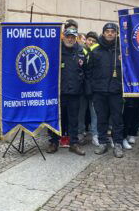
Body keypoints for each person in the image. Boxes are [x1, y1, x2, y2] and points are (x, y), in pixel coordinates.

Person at [86, 22, 125, 158]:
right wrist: (92, 90)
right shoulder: (95, 51)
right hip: (99, 92)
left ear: (116, 34)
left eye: (112, 31)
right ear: (103, 33)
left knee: (117, 119)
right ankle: (103, 142)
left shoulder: (122, 50)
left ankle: (118, 143)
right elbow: (88, 72)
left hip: (116, 91)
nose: (110, 33)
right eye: (107, 31)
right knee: (101, 119)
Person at [46, 28, 86, 156]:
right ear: (63, 37)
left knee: (74, 119)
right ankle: (54, 142)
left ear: (76, 38)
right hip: (59, 92)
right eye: (68, 36)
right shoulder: (56, 51)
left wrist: (82, 85)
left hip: (75, 92)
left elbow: (86, 70)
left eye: (73, 37)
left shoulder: (81, 51)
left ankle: (74, 143)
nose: (70, 39)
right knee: (57, 118)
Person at [78, 31, 99, 146]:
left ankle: (95, 134)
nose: (91, 42)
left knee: (94, 112)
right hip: (82, 87)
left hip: (94, 87)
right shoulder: (80, 52)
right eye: (89, 40)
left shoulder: (98, 53)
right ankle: (80, 132)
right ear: (86, 40)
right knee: (81, 111)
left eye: (94, 41)